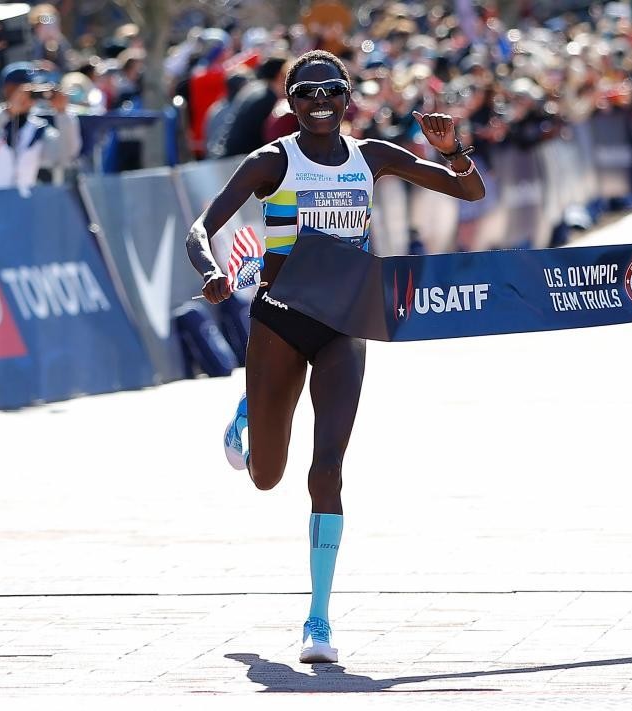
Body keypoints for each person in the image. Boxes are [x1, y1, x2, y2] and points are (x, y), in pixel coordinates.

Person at [185, 49, 484, 664]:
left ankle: (318, 620)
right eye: (306, 92)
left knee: (327, 472)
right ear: (290, 101)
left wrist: (452, 149)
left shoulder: (370, 156)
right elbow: (200, 230)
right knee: (267, 476)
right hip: (281, 321)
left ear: (348, 98)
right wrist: (213, 272)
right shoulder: (272, 161)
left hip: (346, 323)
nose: (319, 102)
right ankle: (248, 411)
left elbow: (469, 191)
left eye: (331, 91)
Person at [0, 62, 80, 194]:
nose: (29, 95)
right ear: (6, 89)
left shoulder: (37, 129)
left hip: (19, 204)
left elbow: (65, 155)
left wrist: (62, 113)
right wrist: (8, 111)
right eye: (24, 89)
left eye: (33, 90)